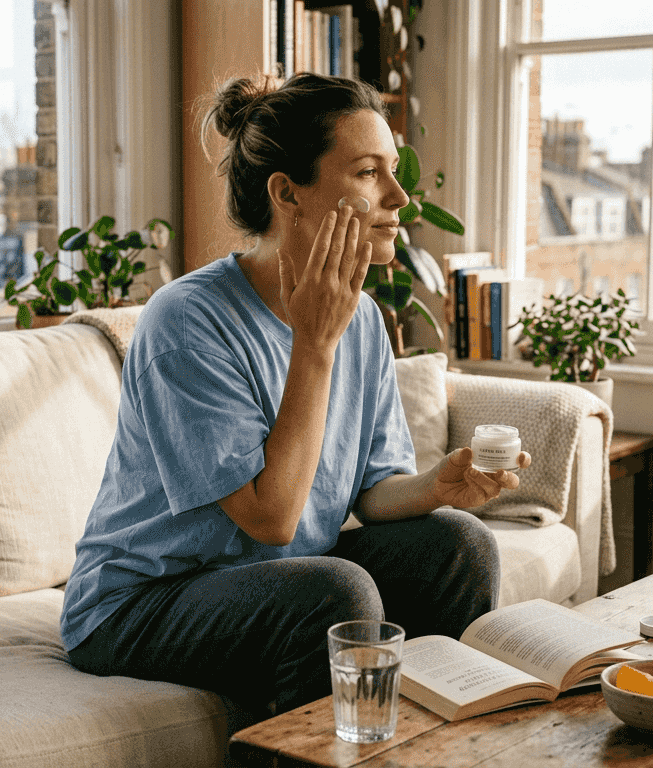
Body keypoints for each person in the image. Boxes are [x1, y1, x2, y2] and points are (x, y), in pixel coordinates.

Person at [59, 72, 530, 722]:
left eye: (393, 172)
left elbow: (371, 489)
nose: (400, 198)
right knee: (334, 592)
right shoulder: (187, 322)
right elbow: (271, 517)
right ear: (288, 193)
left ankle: (433, 749)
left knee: (459, 544)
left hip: (276, 572)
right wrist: (314, 344)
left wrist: (436, 487)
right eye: (369, 173)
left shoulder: (361, 318)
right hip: (141, 601)